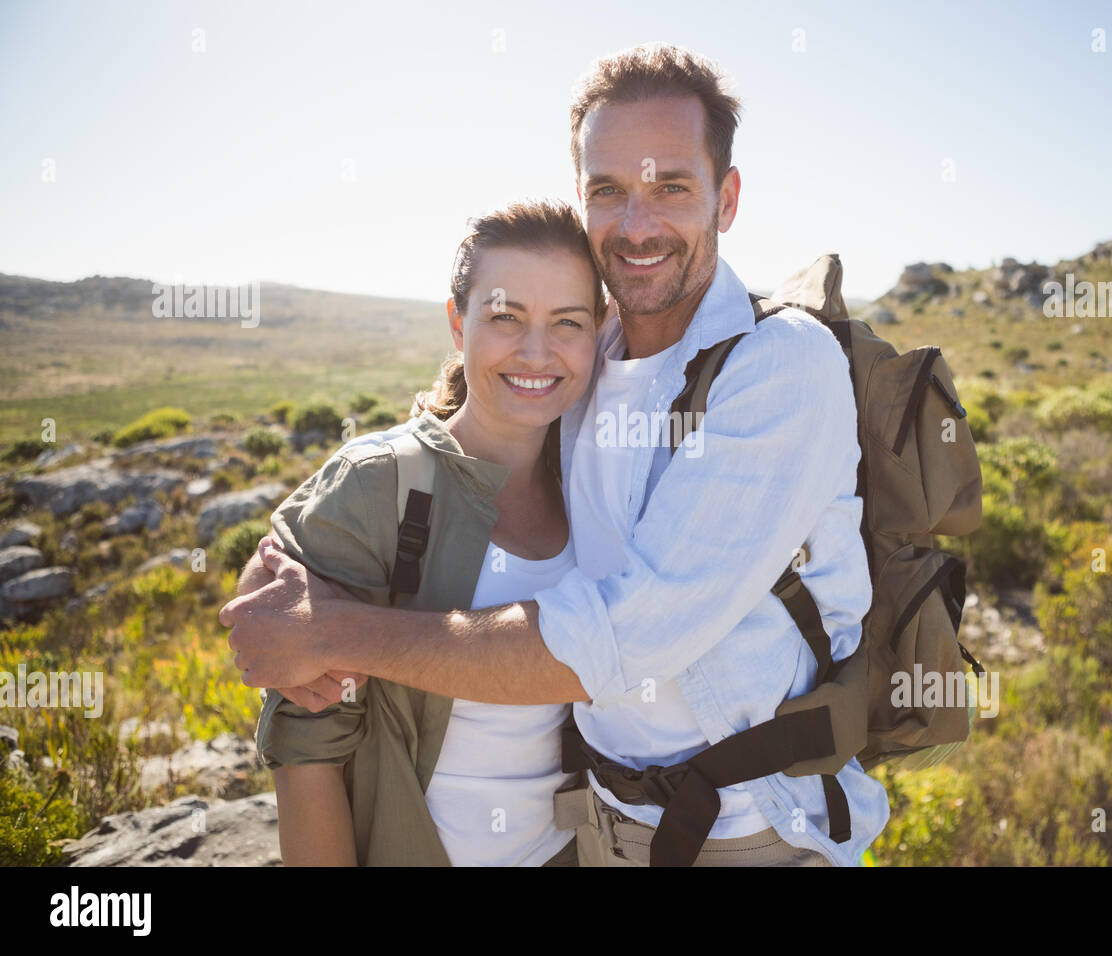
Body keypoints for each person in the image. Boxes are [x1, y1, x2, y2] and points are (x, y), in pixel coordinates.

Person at [223, 41, 890, 867]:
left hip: (752, 835)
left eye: (671, 187)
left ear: (728, 197)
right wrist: (290, 560)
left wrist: (333, 633)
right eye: (608, 190)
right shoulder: (588, 352)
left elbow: (616, 641)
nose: (637, 224)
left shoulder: (780, 364)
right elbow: (473, 420)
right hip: (595, 831)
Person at [244, 198, 604, 866]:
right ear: (456, 320)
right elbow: (305, 755)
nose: (536, 351)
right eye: (505, 317)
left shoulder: (598, 481)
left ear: (600, 331)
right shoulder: (381, 481)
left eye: (567, 322)